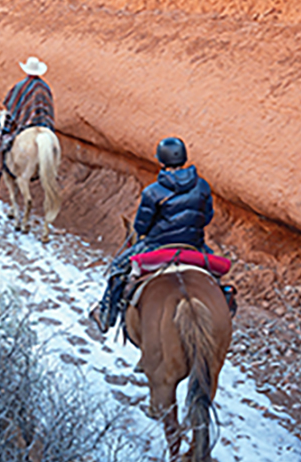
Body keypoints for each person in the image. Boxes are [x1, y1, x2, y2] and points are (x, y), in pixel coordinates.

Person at [90, 136, 214, 333]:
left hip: (158, 245)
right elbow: (207, 217)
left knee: (117, 267)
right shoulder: (202, 186)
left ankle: (106, 314)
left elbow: (141, 227)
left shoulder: (153, 192)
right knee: (214, 273)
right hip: (194, 245)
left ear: (162, 161)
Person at [0, 56, 56, 174]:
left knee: (3, 135)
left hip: (26, 125)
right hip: (45, 125)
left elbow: (12, 106)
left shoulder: (21, 86)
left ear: (27, 70)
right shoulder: (45, 87)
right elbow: (49, 108)